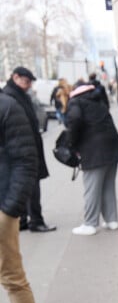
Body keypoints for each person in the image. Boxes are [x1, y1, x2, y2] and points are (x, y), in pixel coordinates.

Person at [0, 86, 42, 303]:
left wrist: (10, 209)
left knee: (12, 276)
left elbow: (26, 159)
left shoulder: (7, 106)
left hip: (2, 207)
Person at [65, 80, 118, 235]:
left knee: (92, 188)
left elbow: (74, 122)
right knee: (108, 186)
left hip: (93, 151)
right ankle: (112, 220)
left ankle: (90, 223)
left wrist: (71, 144)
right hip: (112, 147)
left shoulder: (76, 102)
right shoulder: (98, 99)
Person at [3, 67, 56, 233]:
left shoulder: (16, 95)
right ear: (15, 77)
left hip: (25, 147)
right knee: (31, 187)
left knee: (27, 186)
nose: (29, 86)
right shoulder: (11, 97)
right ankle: (35, 221)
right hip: (22, 151)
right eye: (26, 82)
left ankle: (23, 220)